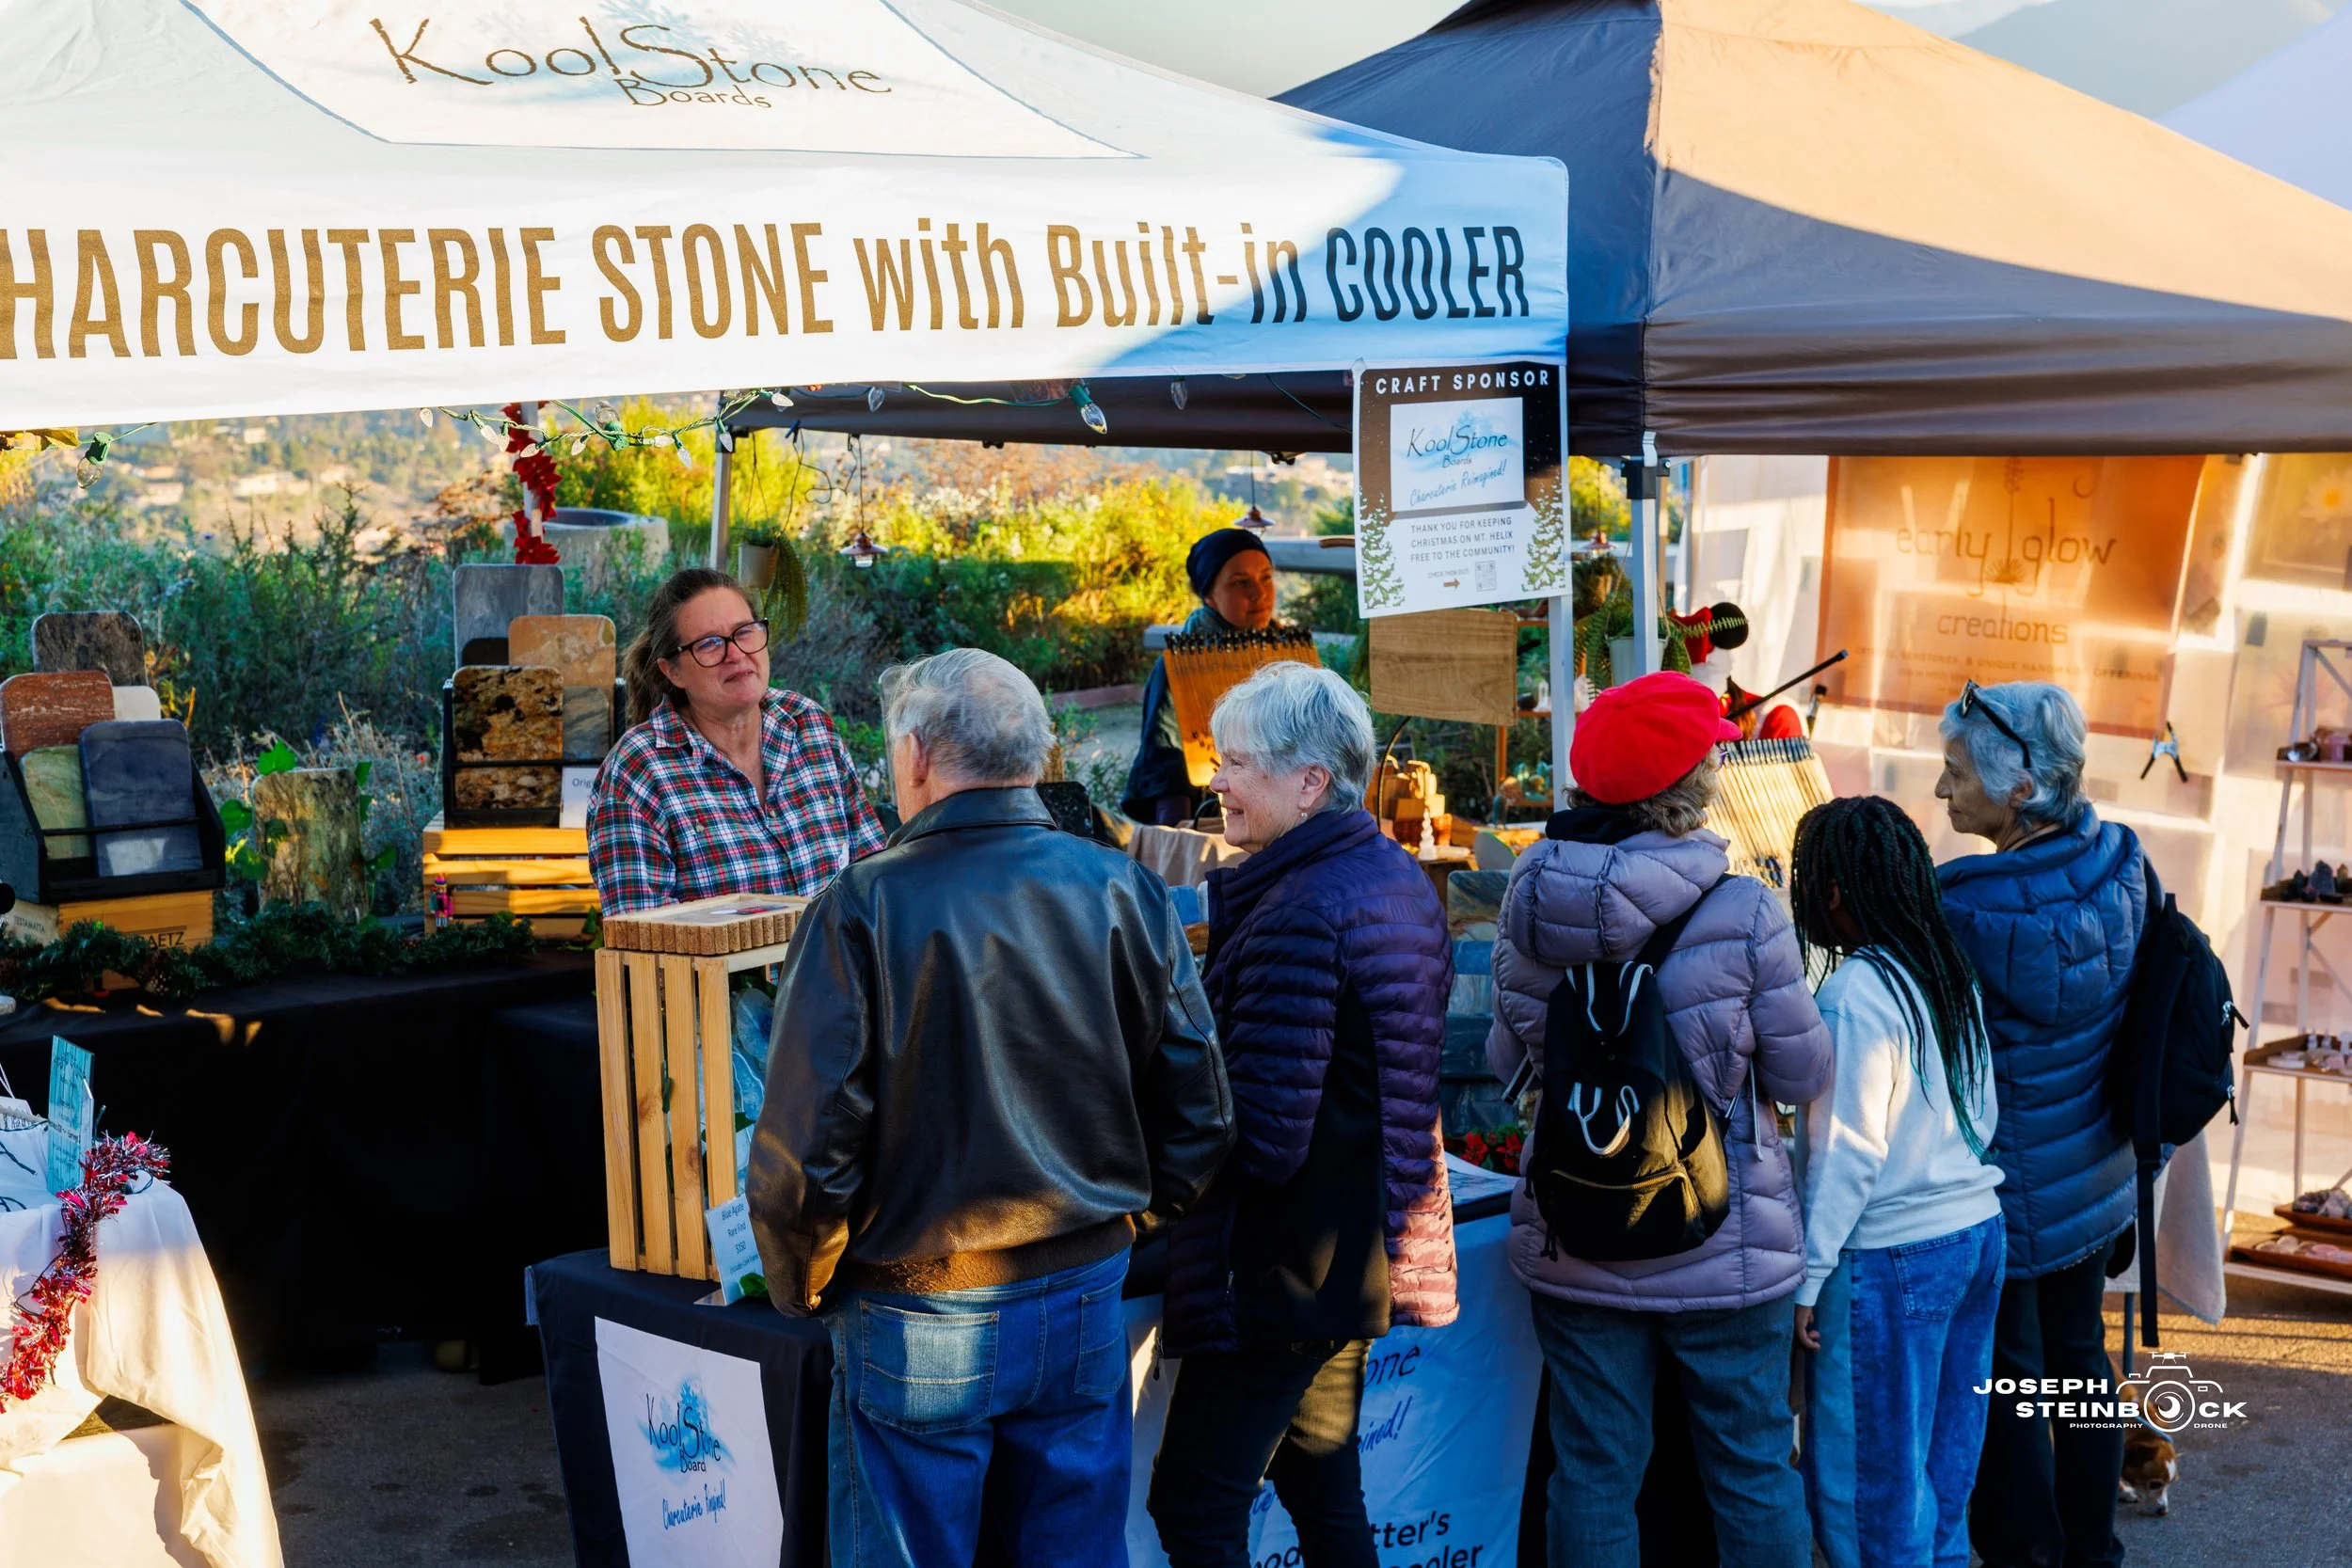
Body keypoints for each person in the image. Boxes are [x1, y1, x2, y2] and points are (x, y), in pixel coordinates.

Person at [747, 647, 1234, 1568]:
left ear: (918, 753)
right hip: (1078, 1283)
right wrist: (1128, 1216)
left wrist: (802, 1280)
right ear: (1035, 755)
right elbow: (1199, 1107)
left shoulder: (860, 904)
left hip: (922, 1300)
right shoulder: (1117, 885)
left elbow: (809, 1150)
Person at [1487, 671, 1832, 1568]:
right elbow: (1801, 1073)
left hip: (1576, 1227)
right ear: (1695, 787)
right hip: (1723, 1235)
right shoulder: (1746, 907)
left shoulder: (1528, 900)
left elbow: (1505, 1062)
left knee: (1594, 1470)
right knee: (1753, 1466)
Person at [1148, 662, 1456, 1568]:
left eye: (1235, 763)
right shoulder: (1388, 876)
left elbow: (1265, 1136)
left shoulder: (1302, 906)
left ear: (1310, 782)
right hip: (1351, 1250)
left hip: (1286, 1261)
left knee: (1196, 1505)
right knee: (1322, 1484)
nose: (1218, 783)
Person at [1933, 681, 2143, 1568]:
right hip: (2096, 1169)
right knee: (2079, 1358)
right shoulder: (2123, 862)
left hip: (2007, 1188)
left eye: (1955, 773)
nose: (1942, 792)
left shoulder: (1957, 909)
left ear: (2020, 790)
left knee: (2009, 1378)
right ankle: (2091, 1550)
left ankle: (2027, 1555)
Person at [1788, 795, 2005, 1568]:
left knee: (1871, 1499)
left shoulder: (1852, 996)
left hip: (1891, 1255)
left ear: (1837, 892)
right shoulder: (1945, 970)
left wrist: (1807, 1282)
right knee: (1943, 1483)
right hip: (1976, 1232)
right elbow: (1985, 1110)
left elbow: (1846, 1154)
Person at [589, 566, 883, 915]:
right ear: (673, 671)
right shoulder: (638, 771)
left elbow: (873, 877)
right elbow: (643, 944)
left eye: (744, 632)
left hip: (843, 971)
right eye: (709, 644)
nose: (735, 653)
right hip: (727, 974)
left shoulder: (809, 725)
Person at [1121, 528, 1278, 825]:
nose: (1258, 593)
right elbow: (1166, 758)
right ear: (1209, 596)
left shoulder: (1287, 649)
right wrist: (1180, 836)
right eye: (1240, 583)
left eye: (1266, 578)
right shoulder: (1182, 662)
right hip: (1213, 815)